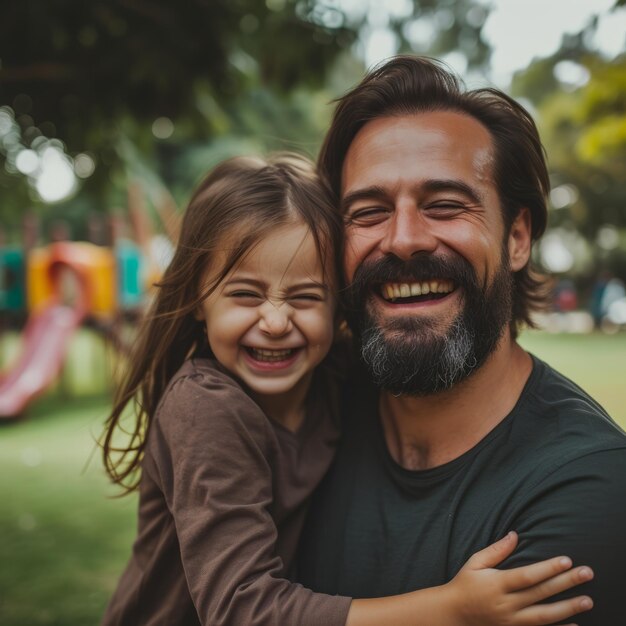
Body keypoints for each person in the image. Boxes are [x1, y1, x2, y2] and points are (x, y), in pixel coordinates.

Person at [100, 154, 592, 626]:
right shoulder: (206, 409)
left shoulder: (334, 374)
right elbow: (241, 610)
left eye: (305, 297)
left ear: (338, 308)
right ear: (197, 302)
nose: (274, 322)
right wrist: (449, 611)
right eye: (245, 295)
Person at [296, 56, 626, 625]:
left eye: (445, 206)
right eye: (368, 212)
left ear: (517, 237)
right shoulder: (301, 409)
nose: (402, 241)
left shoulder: (589, 485)